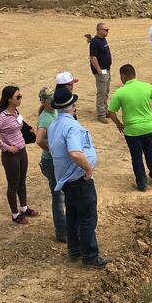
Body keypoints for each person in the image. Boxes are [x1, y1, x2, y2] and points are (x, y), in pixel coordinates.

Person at [48, 88, 111, 268]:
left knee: (73, 215)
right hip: (78, 179)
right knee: (87, 217)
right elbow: (75, 153)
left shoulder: (54, 125)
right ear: (71, 107)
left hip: (66, 180)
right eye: (74, 104)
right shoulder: (71, 126)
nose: (75, 107)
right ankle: (90, 257)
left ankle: (74, 250)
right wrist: (88, 169)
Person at [0, 86, 39, 225]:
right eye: (18, 97)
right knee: (13, 185)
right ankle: (15, 214)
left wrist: (29, 129)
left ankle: (24, 208)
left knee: (22, 181)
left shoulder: (16, 112)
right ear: (9, 99)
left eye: (20, 96)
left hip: (22, 151)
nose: (20, 98)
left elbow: (20, 125)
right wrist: (6, 147)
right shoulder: (1, 117)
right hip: (11, 156)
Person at [107, 65, 152, 191]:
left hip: (131, 131)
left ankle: (142, 182)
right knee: (149, 148)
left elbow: (111, 112)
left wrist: (119, 124)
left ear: (123, 76)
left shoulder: (120, 92)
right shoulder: (146, 86)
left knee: (136, 155)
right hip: (147, 127)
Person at [36, 88, 66, 242]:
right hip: (51, 161)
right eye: (50, 99)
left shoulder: (51, 113)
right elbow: (39, 139)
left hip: (54, 160)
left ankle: (64, 229)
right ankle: (61, 232)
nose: (53, 101)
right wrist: (53, 151)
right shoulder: (45, 118)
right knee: (58, 196)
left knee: (61, 195)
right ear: (43, 102)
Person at [89, 23, 112, 123]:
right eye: (105, 30)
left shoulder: (103, 40)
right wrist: (99, 70)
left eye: (107, 30)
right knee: (101, 93)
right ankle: (101, 115)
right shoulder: (95, 42)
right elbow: (93, 57)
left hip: (106, 69)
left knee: (106, 91)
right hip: (101, 71)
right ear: (98, 30)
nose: (107, 31)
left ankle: (105, 111)